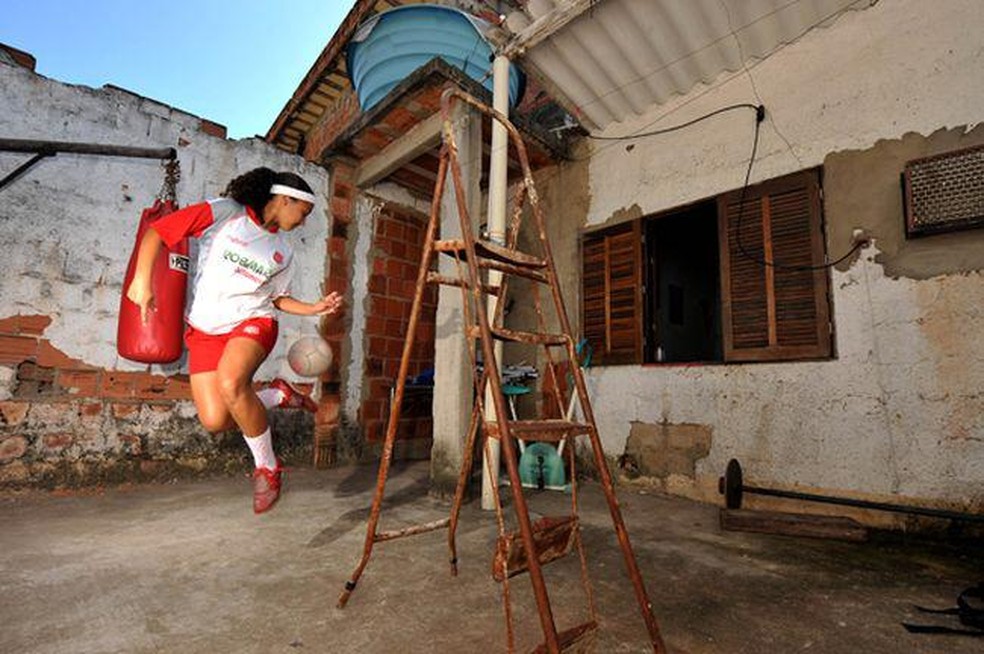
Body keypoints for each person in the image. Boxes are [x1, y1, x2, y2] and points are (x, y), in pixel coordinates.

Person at [126, 167, 342, 514]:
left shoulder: (284, 251)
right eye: (303, 214)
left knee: (231, 382)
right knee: (215, 420)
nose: (303, 223)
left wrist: (315, 307)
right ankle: (278, 395)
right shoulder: (225, 213)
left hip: (254, 321)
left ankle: (267, 468)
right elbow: (157, 232)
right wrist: (142, 281)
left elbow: (277, 300)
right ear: (284, 199)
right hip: (206, 329)